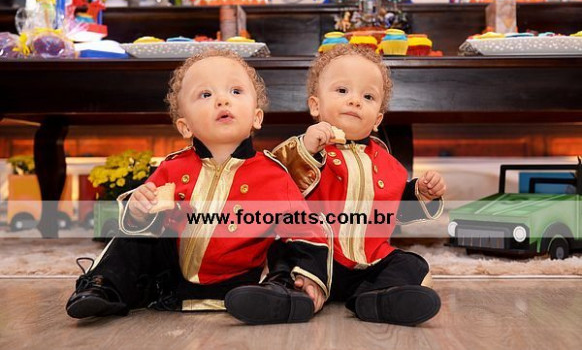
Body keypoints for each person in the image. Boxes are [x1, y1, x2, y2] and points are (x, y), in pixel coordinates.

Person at [66, 49, 330, 325]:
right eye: (206, 94)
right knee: (135, 235)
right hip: (168, 281)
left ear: (257, 117)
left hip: (242, 284)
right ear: (185, 126)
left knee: (290, 245)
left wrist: (309, 274)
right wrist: (138, 210)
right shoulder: (172, 168)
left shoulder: (273, 175)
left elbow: (306, 231)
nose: (222, 100)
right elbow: (138, 218)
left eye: (236, 91)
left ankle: (283, 292)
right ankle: (104, 285)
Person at [272, 44, 446, 326]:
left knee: (416, 266)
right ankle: (292, 294)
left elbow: (395, 209)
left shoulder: (387, 163)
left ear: (377, 119)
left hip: (368, 263)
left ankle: (373, 298)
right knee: (288, 253)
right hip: (318, 255)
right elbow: (277, 180)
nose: (355, 101)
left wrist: (420, 193)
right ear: (315, 105)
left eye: (368, 96)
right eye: (342, 91)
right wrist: (305, 148)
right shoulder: (309, 148)